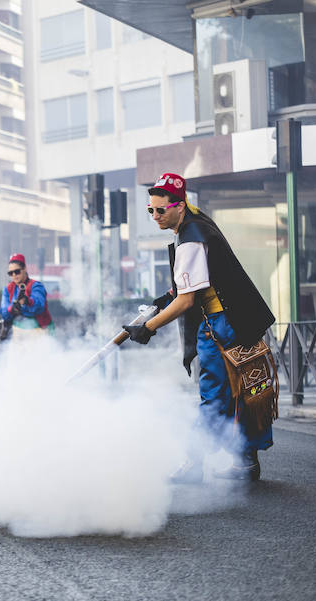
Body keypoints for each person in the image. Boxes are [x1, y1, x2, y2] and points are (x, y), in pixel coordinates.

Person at [122, 173, 275, 482]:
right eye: (150, 210)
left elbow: (187, 302)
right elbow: (201, 282)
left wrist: (149, 327)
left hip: (221, 325)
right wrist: (171, 294)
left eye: (160, 210)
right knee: (245, 389)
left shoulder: (190, 236)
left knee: (216, 394)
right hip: (235, 320)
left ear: (179, 205)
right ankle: (246, 461)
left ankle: (194, 464)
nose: (155, 216)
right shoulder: (200, 223)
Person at [0, 253, 53, 340]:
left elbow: (39, 306)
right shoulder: (8, 289)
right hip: (19, 332)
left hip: (41, 330)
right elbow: (3, 312)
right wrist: (11, 309)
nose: (14, 275)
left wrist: (27, 301)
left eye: (17, 271)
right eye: (10, 273)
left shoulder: (36, 286)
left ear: (24, 269)